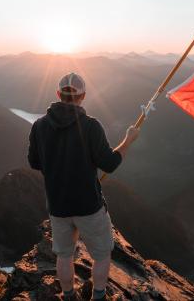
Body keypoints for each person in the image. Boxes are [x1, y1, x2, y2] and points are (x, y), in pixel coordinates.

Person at [27, 72, 140, 300]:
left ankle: (69, 296)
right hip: (89, 206)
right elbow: (109, 163)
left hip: (58, 207)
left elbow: (34, 162)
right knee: (101, 255)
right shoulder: (90, 126)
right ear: (83, 96)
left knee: (64, 255)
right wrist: (128, 140)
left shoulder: (39, 126)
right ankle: (98, 297)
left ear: (58, 94)